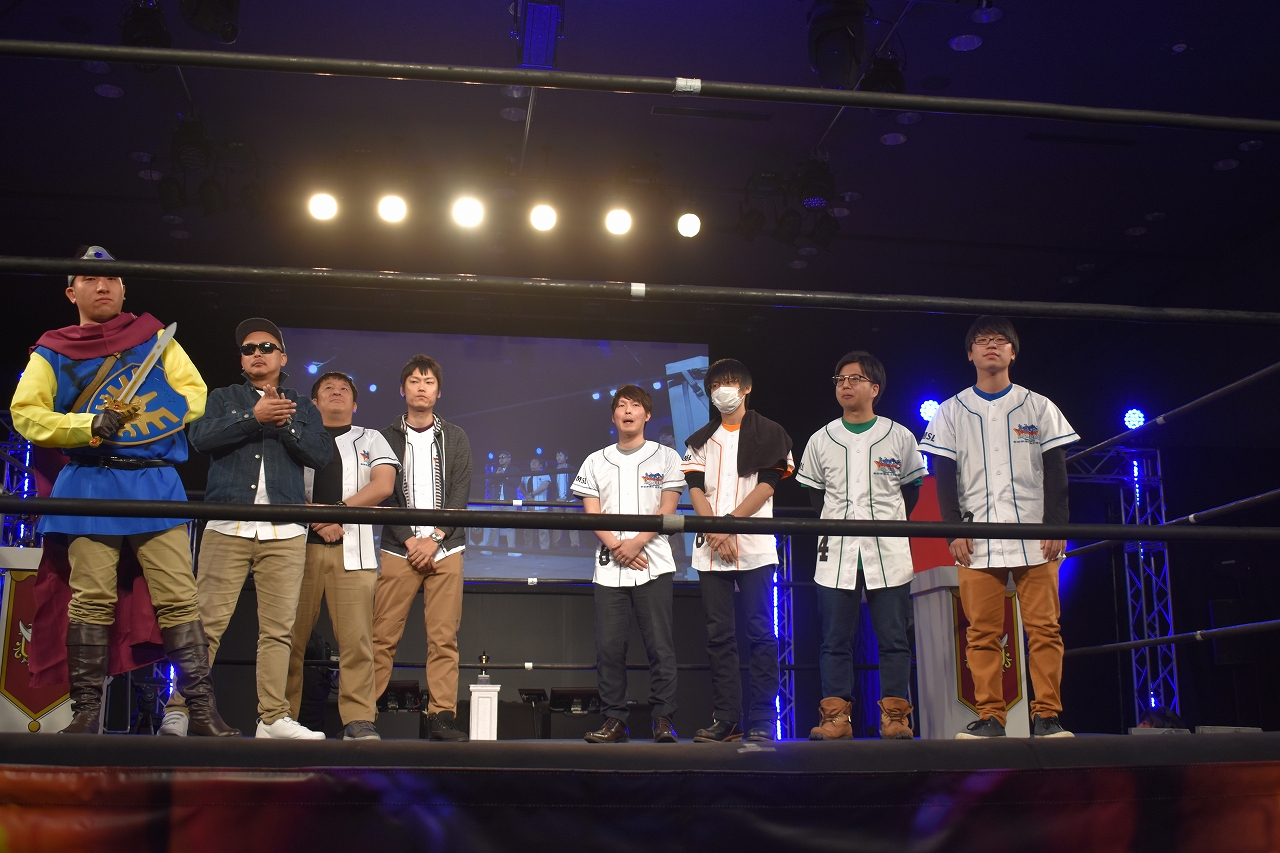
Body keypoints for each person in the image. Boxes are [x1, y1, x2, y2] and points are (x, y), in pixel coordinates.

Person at [10, 245, 237, 737]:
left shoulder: (154, 339)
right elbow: (26, 414)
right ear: (71, 292)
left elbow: (194, 396)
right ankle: (85, 714)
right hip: (89, 482)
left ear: (124, 288)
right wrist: (87, 424)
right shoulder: (53, 349)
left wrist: (138, 420)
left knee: (179, 598)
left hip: (154, 482)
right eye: (90, 279)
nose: (103, 286)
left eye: (111, 278)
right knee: (91, 599)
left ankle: (201, 711)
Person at [162, 318, 334, 739]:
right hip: (227, 525)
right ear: (241, 359)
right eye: (248, 348)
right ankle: (180, 709)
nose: (257, 353)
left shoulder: (301, 404)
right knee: (206, 625)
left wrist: (284, 424)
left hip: (285, 531)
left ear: (283, 357)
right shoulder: (222, 398)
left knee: (278, 631)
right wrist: (253, 417)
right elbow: (200, 438)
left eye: (266, 347)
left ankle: (272, 718)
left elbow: (320, 454)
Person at [921, 316, 1078, 739]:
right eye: (982, 340)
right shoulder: (950, 410)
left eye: (1000, 340)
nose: (991, 346)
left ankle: (1047, 716)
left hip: (1036, 536)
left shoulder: (1039, 405)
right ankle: (991, 715)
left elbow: (1057, 472)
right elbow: (944, 477)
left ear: (1013, 351)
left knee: (1045, 629)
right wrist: (953, 531)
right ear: (970, 353)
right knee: (981, 633)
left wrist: (1056, 526)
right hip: (977, 538)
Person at [796, 351, 926, 740]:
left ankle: (895, 717)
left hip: (888, 550)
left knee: (894, 639)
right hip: (837, 553)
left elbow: (911, 491)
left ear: (875, 388)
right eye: (840, 379)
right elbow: (815, 496)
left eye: (855, 379)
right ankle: (836, 719)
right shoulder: (821, 438)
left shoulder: (899, 435)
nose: (845, 385)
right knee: (834, 641)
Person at [682, 359, 793, 743]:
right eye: (716, 385)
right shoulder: (700, 439)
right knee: (718, 636)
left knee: (761, 631)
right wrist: (715, 530)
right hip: (712, 548)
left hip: (755, 546)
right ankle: (727, 718)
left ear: (746, 388)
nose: (722, 390)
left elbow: (767, 486)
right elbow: (695, 489)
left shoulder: (771, 433)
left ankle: (763, 718)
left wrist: (727, 525)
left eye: (730, 382)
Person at [284, 372, 398, 741]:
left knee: (357, 642)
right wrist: (317, 519)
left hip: (354, 553)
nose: (337, 392)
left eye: (344, 389)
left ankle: (359, 719)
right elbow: (281, 483)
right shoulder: (296, 434)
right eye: (328, 389)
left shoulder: (371, 438)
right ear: (314, 402)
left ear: (355, 404)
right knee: (287, 640)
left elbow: (383, 484)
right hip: (297, 550)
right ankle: (279, 716)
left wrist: (335, 514)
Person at [573, 386, 686, 744]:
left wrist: (635, 542)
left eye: (635, 405)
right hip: (609, 568)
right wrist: (617, 546)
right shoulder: (595, 460)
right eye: (621, 406)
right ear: (613, 416)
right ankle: (614, 720)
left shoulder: (666, 457)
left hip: (654, 563)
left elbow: (667, 508)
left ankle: (663, 719)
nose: (627, 411)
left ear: (647, 415)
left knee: (660, 647)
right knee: (609, 648)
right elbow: (592, 514)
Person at [371, 354, 474, 741]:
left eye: (428, 382)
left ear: (438, 391)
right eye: (414, 381)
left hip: (445, 550)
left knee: (444, 639)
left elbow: (460, 494)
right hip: (400, 549)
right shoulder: (383, 437)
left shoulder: (456, 437)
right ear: (403, 389)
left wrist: (434, 538)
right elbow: (383, 495)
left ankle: (441, 717)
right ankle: (363, 714)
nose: (421, 387)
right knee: (382, 636)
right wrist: (411, 539)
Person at [481, 451, 516, 551]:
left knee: (511, 527)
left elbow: (516, 483)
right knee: (494, 525)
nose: (500, 459)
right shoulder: (496, 469)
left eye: (503, 457)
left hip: (510, 502)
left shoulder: (514, 470)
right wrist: (497, 475)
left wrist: (504, 475)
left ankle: (511, 550)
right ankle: (489, 549)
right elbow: (489, 482)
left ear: (509, 459)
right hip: (497, 501)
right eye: (499, 457)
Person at [551, 450, 580, 549]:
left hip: (570, 499)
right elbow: (552, 486)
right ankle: (555, 544)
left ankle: (575, 545)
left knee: (572, 523)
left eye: (560, 455)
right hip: (557, 500)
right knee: (557, 523)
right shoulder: (554, 470)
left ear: (566, 457)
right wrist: (557, 497)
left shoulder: (572, 469)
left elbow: (574, 485)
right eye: (557, 456)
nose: (558, 457)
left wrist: (565, 497)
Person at [521, 456, 551, 550]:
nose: (532, 463)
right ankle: (527, 548)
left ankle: (544, 548)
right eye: (531, 462)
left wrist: (531, 494)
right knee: (527, 529)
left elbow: (544, 486)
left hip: (540, 506)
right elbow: (521, 486)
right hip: (528, 504)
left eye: (535, 462)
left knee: (542, 529)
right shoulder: (526, 475)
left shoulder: (544, 474)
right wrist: (527, 496)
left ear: (540, 465)